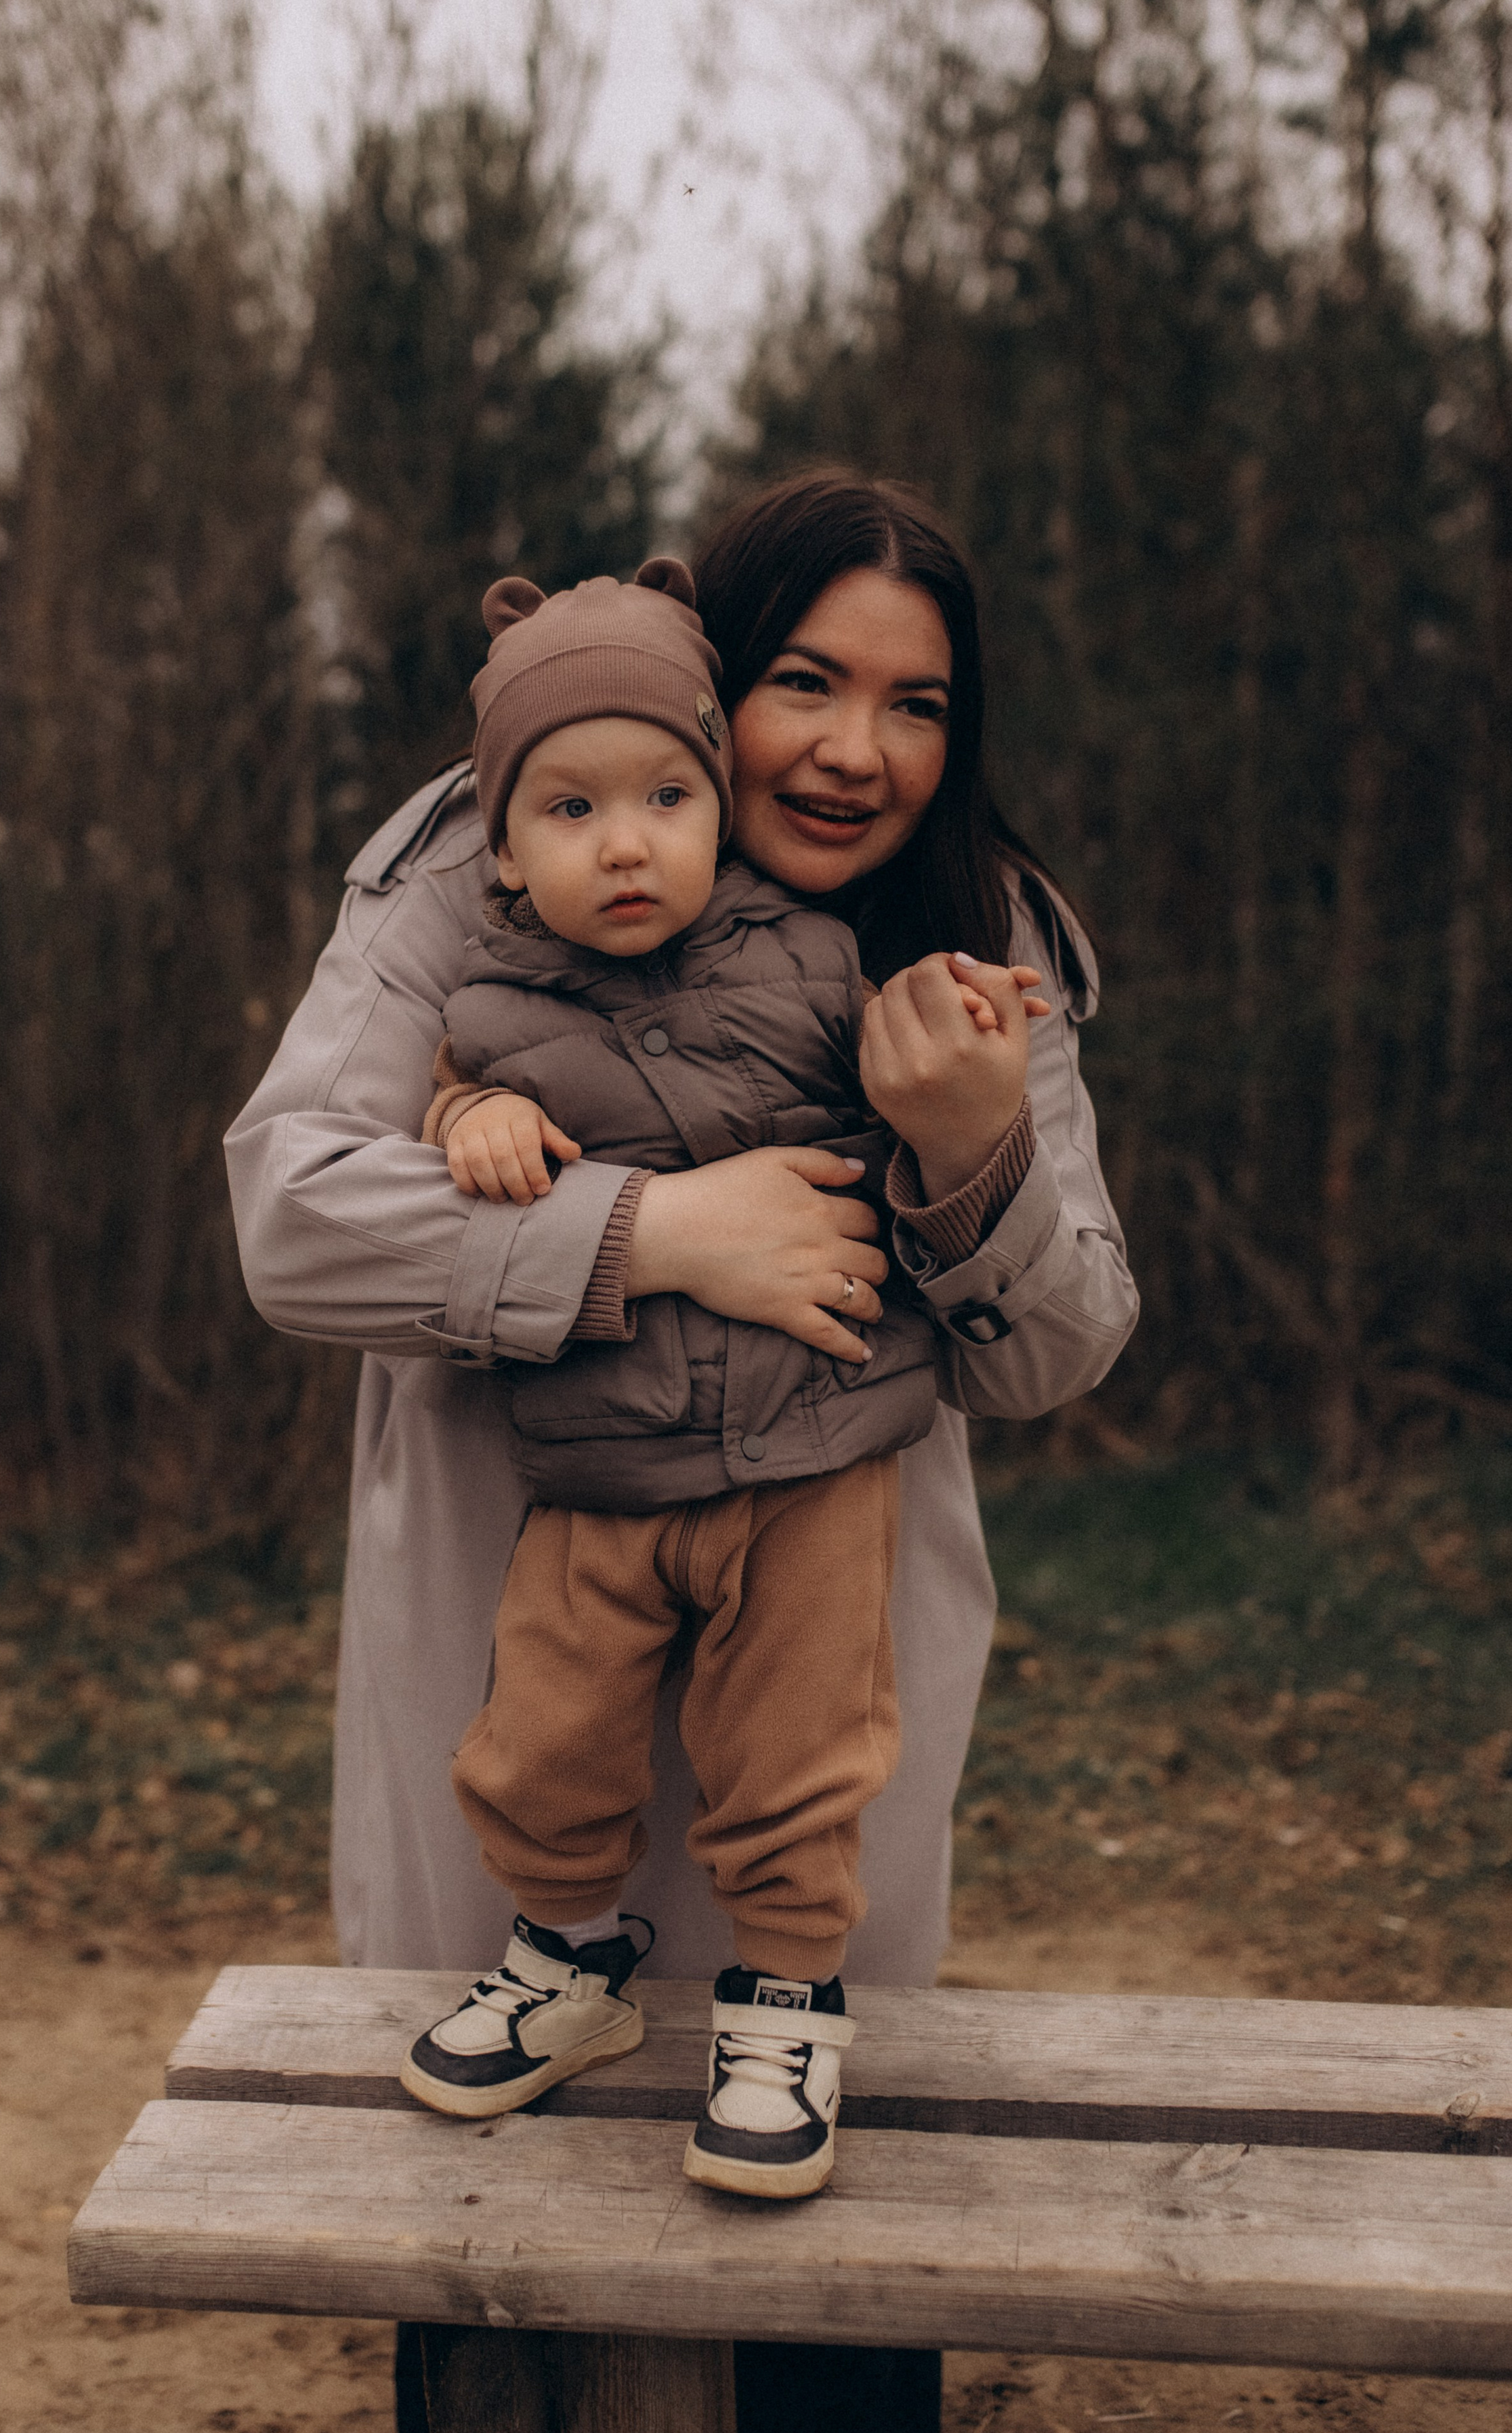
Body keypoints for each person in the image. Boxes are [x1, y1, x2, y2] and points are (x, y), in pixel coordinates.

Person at [224, 470, 1138, 2433]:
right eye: (806, 680)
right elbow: (291, 1221)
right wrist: (652, 1235)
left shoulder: (971, 930)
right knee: (503, 2323)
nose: (854, 748)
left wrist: (976, 1155)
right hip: (508, 1636)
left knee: (817, 2311)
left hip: (823, 1662)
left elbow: (1064, 1347)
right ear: (707, 674)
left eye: (916, 703)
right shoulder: (485, 864)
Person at [398, 555, 1047, 2200]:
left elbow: (915, 1052)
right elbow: (429, 1137)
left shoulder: (827, 957)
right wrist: (462, 1123)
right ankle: (564, 1961)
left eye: (665, 797)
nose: (624, 842)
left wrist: (965, 1035)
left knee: (797, 1750)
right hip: (598, 1470)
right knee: (535, 1745)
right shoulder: (482, 1002)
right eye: (568, 810)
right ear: (505, 846)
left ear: (710, 798)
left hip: (816, 1451)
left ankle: (782, 2004)